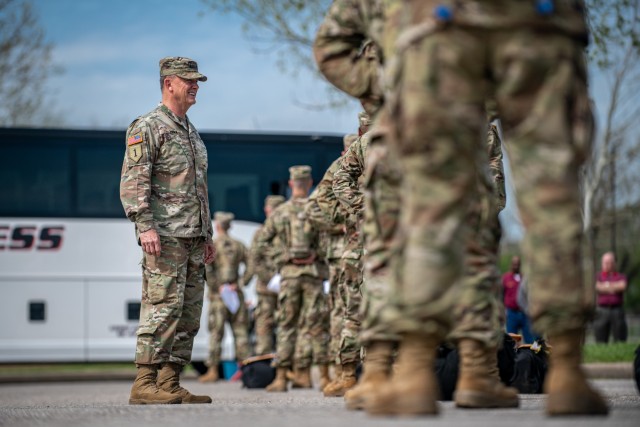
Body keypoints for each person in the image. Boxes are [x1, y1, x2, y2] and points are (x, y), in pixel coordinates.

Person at [315, 0, 607, 417]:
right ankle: (565, 375)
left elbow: (331, 44)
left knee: (430, 218)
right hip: (534, 26)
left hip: (437, 41)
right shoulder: (356, 152)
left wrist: (388, 85)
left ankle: (418, 372)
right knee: (552, 204)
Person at [120, 56, 215, 405]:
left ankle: (169, 382)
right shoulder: (147, 126)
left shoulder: (190, 131)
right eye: (188, 80)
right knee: (161, 309)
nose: (194, 86)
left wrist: (207, 234)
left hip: (193, 237)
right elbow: (133, 183)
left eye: (197, 81)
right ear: (168, 83)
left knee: (188, 314)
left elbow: (199, 188)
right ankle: (144, 383)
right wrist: (145, 226)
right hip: (166, 237)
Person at [256, 166, 331, 392]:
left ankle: (281, 377)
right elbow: (329, 241)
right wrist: (316, 255)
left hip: (288, 276)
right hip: (314, 276)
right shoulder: (317, 210)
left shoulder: (280, 212)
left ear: (291, 184)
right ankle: (325, 377)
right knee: (317, 326)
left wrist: (283, 257)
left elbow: (261, 244)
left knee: (286, 326)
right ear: (310, 183)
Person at [199, 212, 252, 383]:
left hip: (219, 296)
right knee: (241, 333)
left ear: (218, 226)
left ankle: (213, 371)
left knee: (216, 333)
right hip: (236, 294)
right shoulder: (239, 245)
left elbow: (207, 268)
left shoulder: (213, 245)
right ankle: (245, 370)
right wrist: (241, 282)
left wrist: (217, 287)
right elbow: (252, 265)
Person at [249, 195, 286, 356]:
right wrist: (271, 279)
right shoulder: (261, 233)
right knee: (266, 323)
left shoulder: (286, 231)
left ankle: (285, 362)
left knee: (284, 324)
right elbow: (255, 260)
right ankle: (265, 361)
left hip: (283, 284)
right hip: (269, 286)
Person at [593, 252, 628, 343]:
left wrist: (605, 286)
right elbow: (597, 287)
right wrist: (613, 287)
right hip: (602, 310)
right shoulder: (598, 276)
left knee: (620, 336)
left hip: (617, 310)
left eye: (609, 262)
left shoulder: (621, 276)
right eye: (605, 262)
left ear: (614, 263)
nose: (607, 265)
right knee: (600, 337)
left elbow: (622, 286)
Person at [502, 256, 536, 344]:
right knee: (512, 341)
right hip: (511, 314)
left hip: (524, 313)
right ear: (511, 265)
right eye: (514, 264)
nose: (516, 266)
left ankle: (530, 356)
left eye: (518, 264)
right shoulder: (506, 278)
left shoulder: (524, 278)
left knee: (530, 340)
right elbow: (501, 294)